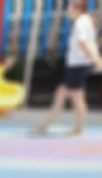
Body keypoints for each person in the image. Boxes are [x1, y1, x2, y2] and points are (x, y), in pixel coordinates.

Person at [35, 0, 102, 137]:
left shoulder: (80, 22)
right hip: (78, 64)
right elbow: (91, 43)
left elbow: (84, 43)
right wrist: (96, 58)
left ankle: (78, 129)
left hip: (78, 64)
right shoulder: (86, 21)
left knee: (76, 96)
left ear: (77, 8)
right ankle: (46, 125)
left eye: (70, 6)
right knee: (63, 93)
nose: (68, 10)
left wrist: (96, 60)